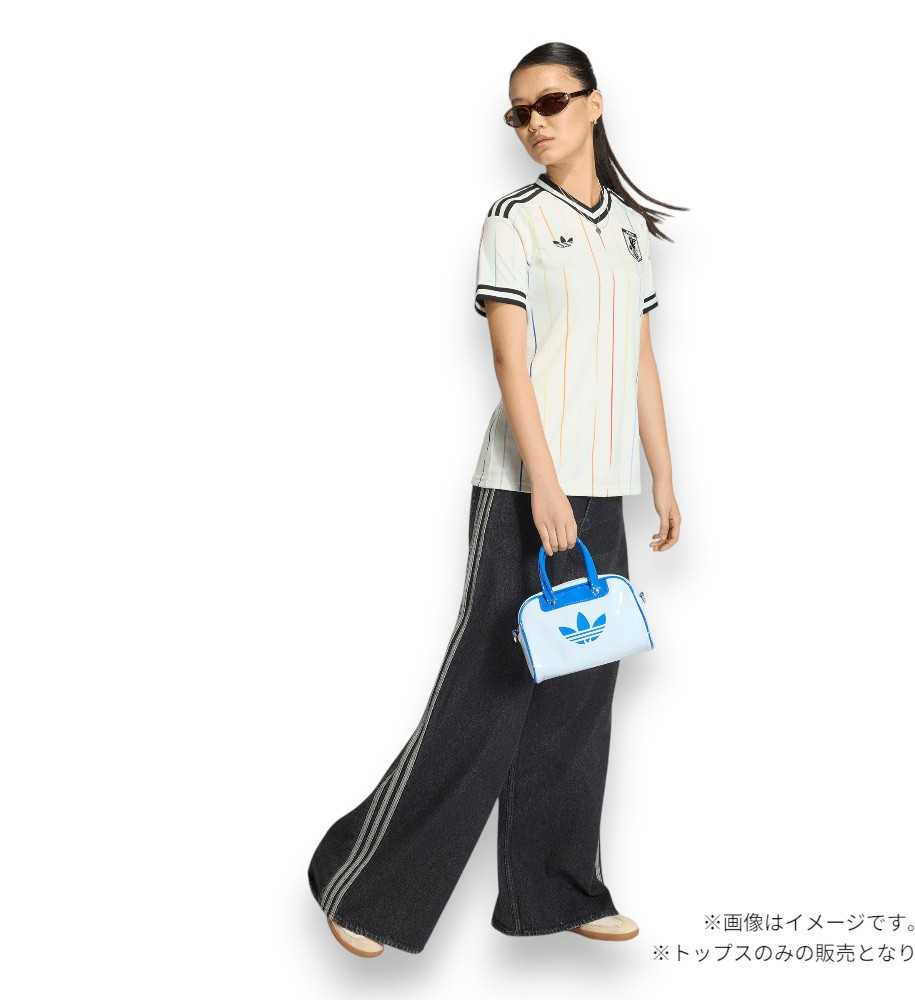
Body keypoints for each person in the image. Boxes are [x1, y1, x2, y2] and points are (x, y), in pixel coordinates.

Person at [307, 41, 684, 958]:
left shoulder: (629, 233)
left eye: (550, 102)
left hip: (604, 489)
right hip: (521, 488)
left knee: (578, 695)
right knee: (484, 693)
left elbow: (638, 360)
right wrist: (544, 485)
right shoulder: (513, 221)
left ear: (594, 103)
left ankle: (556, 893)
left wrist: (664, 474)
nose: (533, 123)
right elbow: (510, 364)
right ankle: (359, 883)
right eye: (519, 112)